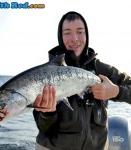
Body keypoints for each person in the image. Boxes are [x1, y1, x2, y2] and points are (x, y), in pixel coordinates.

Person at [33, 11, 131, 150]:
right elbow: (44, 129)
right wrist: (48, 113)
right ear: (60, 37)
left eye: (80, 31)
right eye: (67, 33)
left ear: (87, 35)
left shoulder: (103, 70)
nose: (74, 38)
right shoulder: (44, 75)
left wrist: (116, 91)